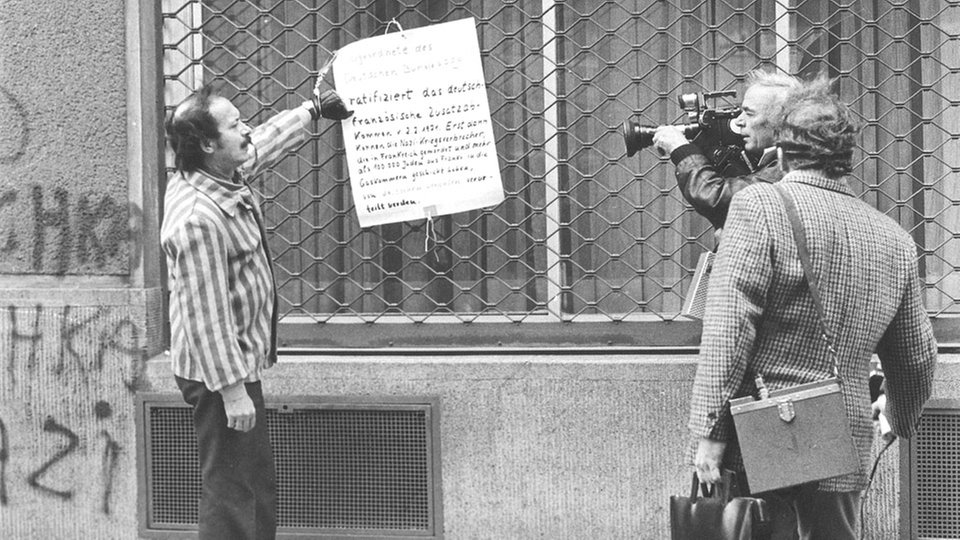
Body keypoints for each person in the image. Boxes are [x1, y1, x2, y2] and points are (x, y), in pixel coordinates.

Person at [685, 80, 937, 538]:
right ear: (845, 159)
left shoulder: (758, 204)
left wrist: (710, 434)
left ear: (782, 151)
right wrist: (896, 418)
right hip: (843, 443)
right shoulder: (894, 239)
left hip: (760, 439)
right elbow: (918, 355)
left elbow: (729, 330)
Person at [160, 85, 351, 540]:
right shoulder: (197, 218)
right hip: (216, 373)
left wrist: (312, 111)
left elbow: (259, 144)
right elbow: (206, 315)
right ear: (208, 144)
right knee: (234, 495)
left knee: (250, 486)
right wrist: (232, 392)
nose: (244, 129)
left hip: (232, 364)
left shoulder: (217, 173)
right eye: (233, 124)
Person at [652, 70, 802, 231]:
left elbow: (714, 198)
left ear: (781, 121)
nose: (738, 121)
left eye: (749, 113)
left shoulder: (788, 169)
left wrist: (681, 149)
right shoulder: (788, 159)